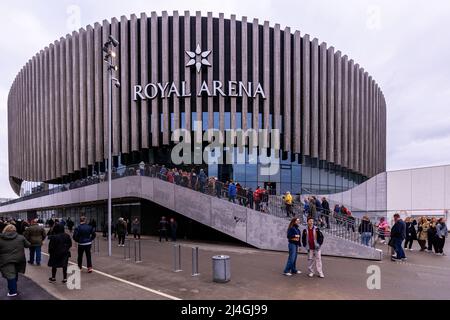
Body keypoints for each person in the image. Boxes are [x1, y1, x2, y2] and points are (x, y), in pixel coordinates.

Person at [0, 225, 31, 297]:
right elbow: (28, 245)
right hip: (19, 259)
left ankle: (12, 292)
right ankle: (13, 286)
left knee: (10, 275)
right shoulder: (20, 237)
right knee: (15, 272)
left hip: (6, 260)